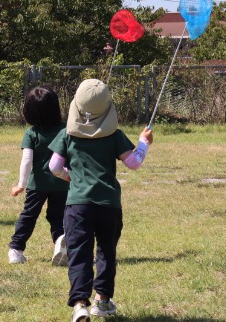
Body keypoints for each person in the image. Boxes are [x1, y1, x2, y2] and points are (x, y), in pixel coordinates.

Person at [48, 79, 153, 321]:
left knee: (79, 253)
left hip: (77, 206)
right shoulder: (114, 136)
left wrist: (68, 177)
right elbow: (134, 162)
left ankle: (79, 304)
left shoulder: (67, 135)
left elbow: (54, 166)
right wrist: (144, 143)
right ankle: (102, 301)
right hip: (108, 205)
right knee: (106, 252)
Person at [7, 86, 69, 266]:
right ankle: (60, 244)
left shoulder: (31, 133)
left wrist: (21, 184)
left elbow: (27, 160)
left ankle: (16, 249)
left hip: (37, 185)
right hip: (63, 182)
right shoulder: (65, 130)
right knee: (58, 217)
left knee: (29, 216)